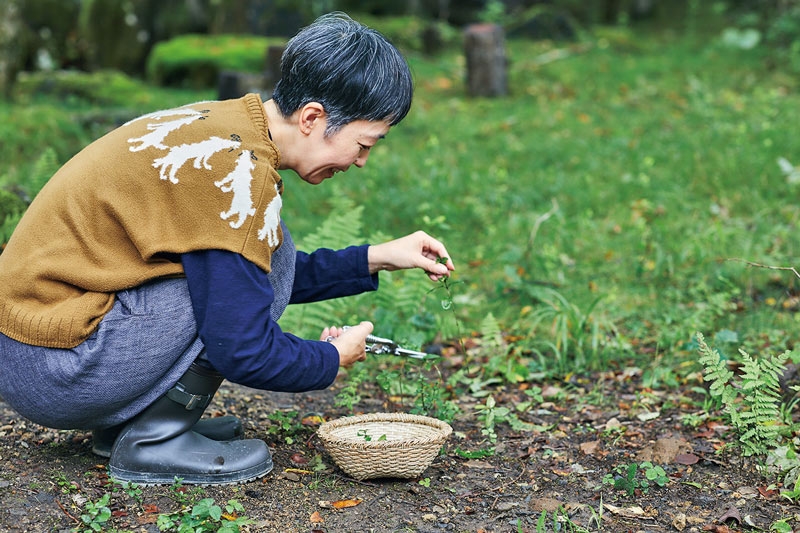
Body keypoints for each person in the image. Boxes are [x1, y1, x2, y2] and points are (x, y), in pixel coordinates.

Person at [0, 12, 454, 485]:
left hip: (37, 350)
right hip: (55, 369)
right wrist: (330, 358)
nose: (361, 162)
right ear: (312, 118)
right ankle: (154, 439)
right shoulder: (235, 172)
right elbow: (242, 346)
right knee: (251, 274)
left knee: (266, 255)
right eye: (364, 144)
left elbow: (249, 274)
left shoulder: (227, 128)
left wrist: (376, 257)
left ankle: (134, 425)